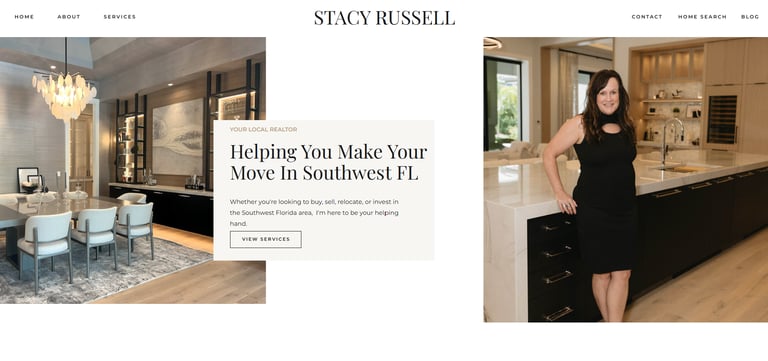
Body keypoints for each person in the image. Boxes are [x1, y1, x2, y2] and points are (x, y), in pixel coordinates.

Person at [542, 69, 637, 322]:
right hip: (595, 211)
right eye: (602, 92)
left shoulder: (627, 124)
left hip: (625, 210)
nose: (608, 98)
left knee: (623, 273)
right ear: (593, 96)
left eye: (613, 92)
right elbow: (549, 153)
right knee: (603, 273)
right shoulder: (579, 123)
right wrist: (559, 191)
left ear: (620, 94)